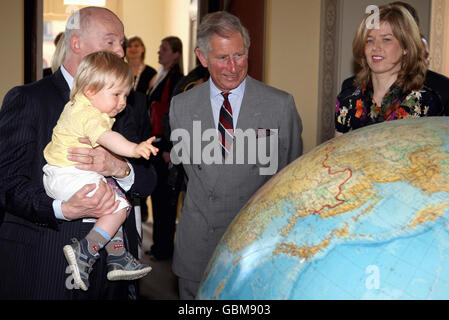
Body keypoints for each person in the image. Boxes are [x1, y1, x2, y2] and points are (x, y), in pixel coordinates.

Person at [0, 6, 157, 300]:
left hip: (113, 274)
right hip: (47, 264)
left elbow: (149, 180)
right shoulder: (29, 99)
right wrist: (62, 208)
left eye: (122, 43)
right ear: (76, 44)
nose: (121, 52)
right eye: (110, 42)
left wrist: (118, 167)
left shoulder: (126, 104)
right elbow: (7, 185)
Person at [169, 11, 303, 299]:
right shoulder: (180, 107)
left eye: (239, 55)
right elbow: (185, 174)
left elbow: (291, 184)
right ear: (202, 58)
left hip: (253, 248)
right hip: (196, 248)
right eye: (222, 58)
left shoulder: (279, 105)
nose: (233, 67)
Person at [43, 51, 158, 291]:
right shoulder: (90, 115)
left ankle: (116, 256)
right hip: (69, 176)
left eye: (125, 94)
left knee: (114, 196)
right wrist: (135, 149)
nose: (123, 102)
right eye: (116, 94)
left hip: (65, 174)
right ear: (90, 90)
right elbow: (110, 138)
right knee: (120, 207)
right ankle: (85, 250)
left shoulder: (82, 106)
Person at [335, 4, 444, 136]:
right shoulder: (348, 99)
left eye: (386, 39)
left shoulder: (425, 102)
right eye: (369, 40)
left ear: (406, 47)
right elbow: (335, 152)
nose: (376, 47)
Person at [146, 36, 184, 261]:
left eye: (164, 49)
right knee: (158, 196)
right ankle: (160, 244)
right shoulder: (160, 75)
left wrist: (171, 147)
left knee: (166, 199)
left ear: (176, 54)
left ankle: (165, 247)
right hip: (157, 142)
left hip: (167, 145)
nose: (159, 52)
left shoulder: (177, 79)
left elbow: (174, 115)